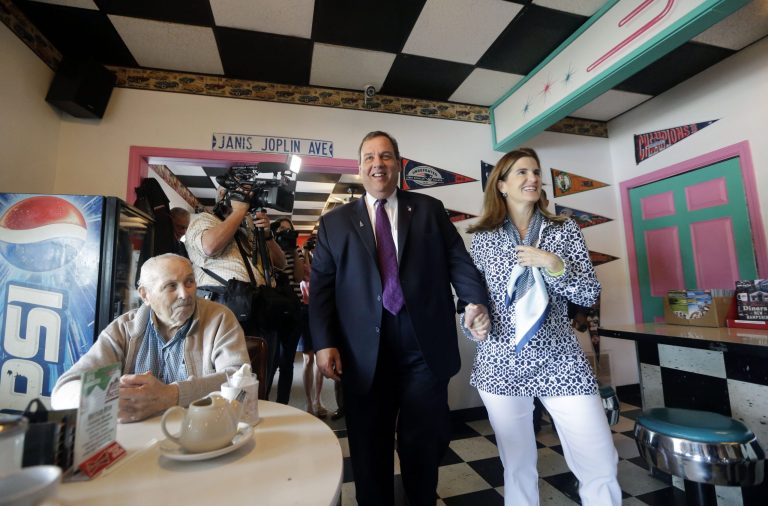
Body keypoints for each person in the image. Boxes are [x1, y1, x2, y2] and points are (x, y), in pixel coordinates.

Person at [310, 131, 491, 505]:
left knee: (423, 442)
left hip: (422, 346)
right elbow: (322, 289)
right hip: (363, 352)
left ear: (399, 164)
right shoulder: (335, 223)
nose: (378, 164)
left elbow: (458, 259)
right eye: (370, 157)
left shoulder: (428, 209)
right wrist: (324, 342)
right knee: (368, 445)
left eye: (387, 156)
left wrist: (473, 301)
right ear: (359, 167)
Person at [465, 147, 620, 505]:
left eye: (536, 172)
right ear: (501, 184)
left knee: (599, 458)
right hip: (500, 360)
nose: (533, 178)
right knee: (517, 465)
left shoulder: (563, 229)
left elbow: (589, 291)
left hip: (560, 358)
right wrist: (472, 322)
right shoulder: (483, 238)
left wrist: (555, 266)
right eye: (522, 172)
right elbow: (472, 303)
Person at [51, 254, 249, 423]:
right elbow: (63, 390)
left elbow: (239, 379)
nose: (185, 294)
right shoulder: (124, 329)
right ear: (145, 295)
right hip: (139, 439)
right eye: (171, 286)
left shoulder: (219, 318)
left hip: (201, 430)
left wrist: (171, 395)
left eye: (189, 282)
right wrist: (106, 400)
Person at [185, 189, 286, 378]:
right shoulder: (203, 220)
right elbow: (209, 247)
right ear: (223, 195)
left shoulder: (248, 228)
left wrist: (267, 236)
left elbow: (281, 263)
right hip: (225, 302)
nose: (246, 200)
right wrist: (239, 212)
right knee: (229, 377)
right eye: (240, 195)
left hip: (258, 307)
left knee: (261, 374)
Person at [265, 218, 306, 404]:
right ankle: (263, 399)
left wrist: (294, 253)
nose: (285, 232)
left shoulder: (294, 250)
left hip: (293, 308)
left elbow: (298, 278)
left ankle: (283, 403)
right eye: (281, 228)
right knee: (271, 360)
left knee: (287, 361)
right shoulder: (267, 245)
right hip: (273, 308)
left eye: (288, 229)